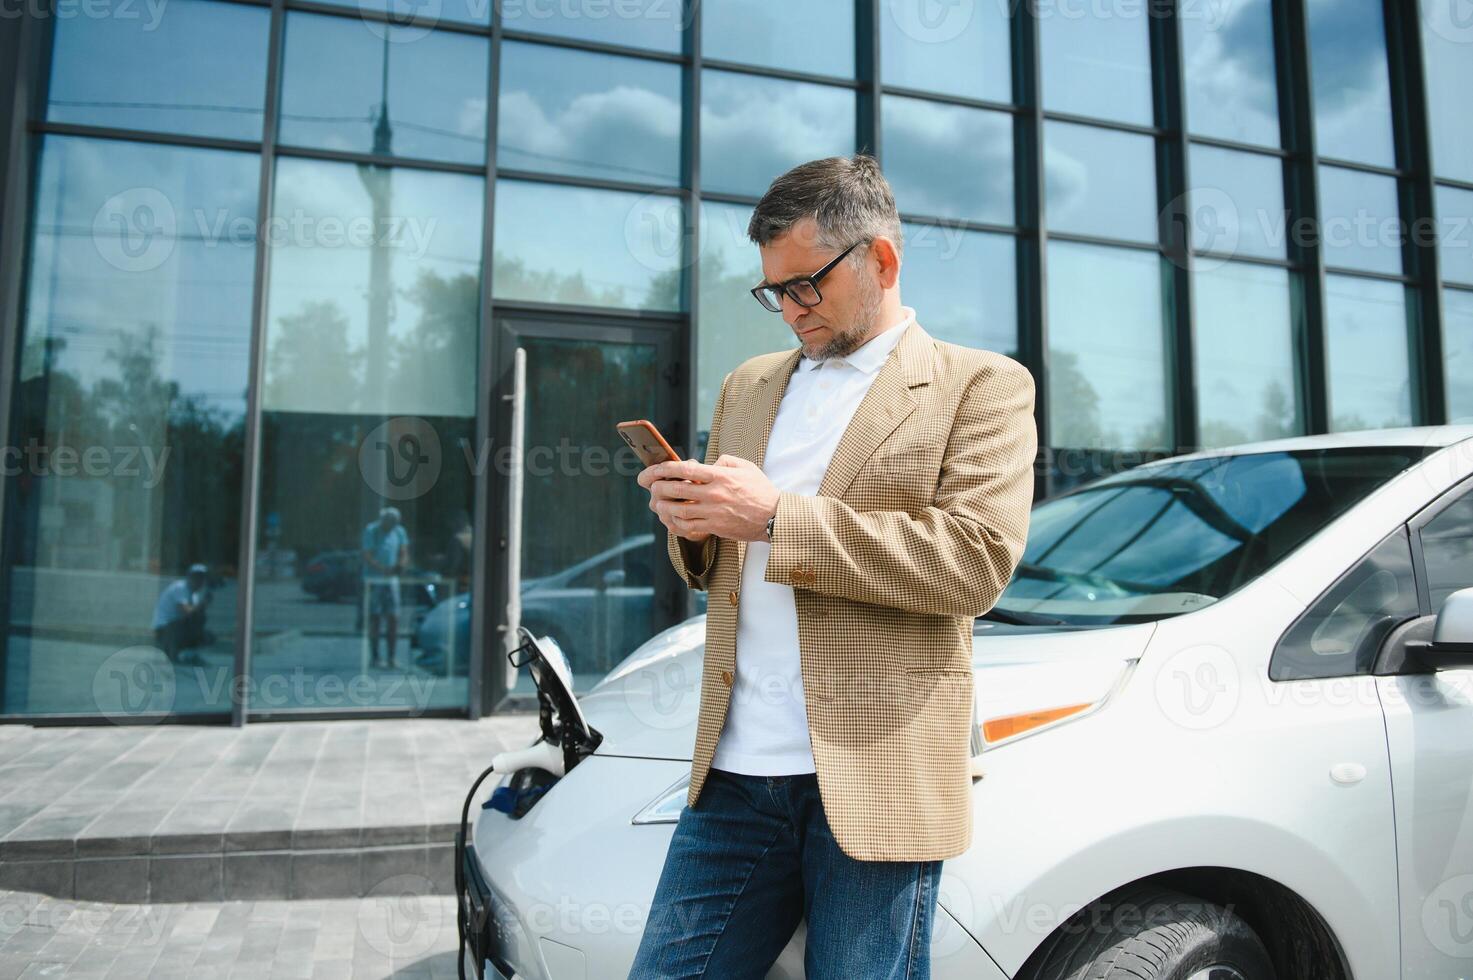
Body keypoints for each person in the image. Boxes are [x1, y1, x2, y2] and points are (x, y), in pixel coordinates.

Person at [629, 155, 1037, 979]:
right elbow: (715, 565)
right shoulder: (747, 387)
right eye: (772, 290)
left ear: (880, 260)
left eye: (805, 285)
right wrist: (692, 523)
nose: (788, 310)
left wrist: (776, 517)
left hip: (876, 771)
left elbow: (974, 562)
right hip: (736, 774)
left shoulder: (980, 386)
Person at [362, 506, 409, 669]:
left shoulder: (399, 531)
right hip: (374, 580)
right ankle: (375, 656)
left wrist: (401, 564)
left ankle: (391, 657)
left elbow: (403, 551)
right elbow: (367, 553)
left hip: (391, 581)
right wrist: (381, 568)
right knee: (375, 618)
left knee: (393, 618)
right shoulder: (372, 530)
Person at [151, 563, 212, 666]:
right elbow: (186, 612)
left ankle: (187, 653)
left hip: (173, 627)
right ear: (189, 577)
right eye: (196, 577)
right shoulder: (180, 587)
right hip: (164, 629)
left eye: (202, 578)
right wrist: (203, 604)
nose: (199, 581)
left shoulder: (194, 594)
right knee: (197, 619)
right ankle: (176, 653)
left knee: (207, 635)